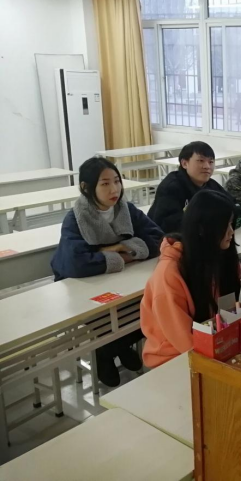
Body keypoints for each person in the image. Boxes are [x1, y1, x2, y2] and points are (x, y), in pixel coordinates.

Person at [51, 157, 164, 387]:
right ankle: (108, 349)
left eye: (117, 181)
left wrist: (118, 250)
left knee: (150, 308)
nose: (114, 189)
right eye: (105, 184)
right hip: (84, 288)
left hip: (121, 280)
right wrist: (126, 253)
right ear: (86, 187)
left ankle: (113, 347)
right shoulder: (75, 218)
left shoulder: (126, 210)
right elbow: (77, 263)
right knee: (112, 315)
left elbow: (157, 239)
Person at [140, 190, 241, 368]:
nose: (231, 232)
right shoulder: (169, 274)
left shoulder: (223, 258)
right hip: (173, 358)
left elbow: (235, 307)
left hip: (218, 344)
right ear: (202, 229)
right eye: (225, 226)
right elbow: (184, 340)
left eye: (231, 224)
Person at [148, 141, 241, 233]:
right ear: (184, 163)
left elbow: (234, 207)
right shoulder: (171, 187)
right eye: (201, 161)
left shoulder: (211, 185)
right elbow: (169, 226)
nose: (207, 166)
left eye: (211, 162)